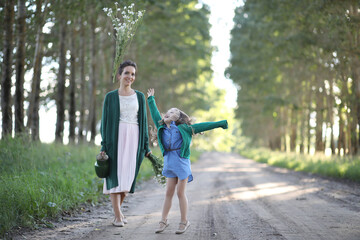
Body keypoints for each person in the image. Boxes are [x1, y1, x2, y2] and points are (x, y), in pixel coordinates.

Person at [147, 88, 228, 234]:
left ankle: (184, 221)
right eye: (168, 111)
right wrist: (151, 99)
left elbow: (203, 126)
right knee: (168, 193)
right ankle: (163, 220)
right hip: (170, 163)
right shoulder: (162, 128)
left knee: (180, 192)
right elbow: (154, 114)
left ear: (178, 117)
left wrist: (220, 123)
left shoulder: (184, 129)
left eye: (173, 112)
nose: (169, 113)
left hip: (182, 163)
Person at [100, 60, 151, 227]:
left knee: (128, 179)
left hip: (134, 139)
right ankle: (117, 216)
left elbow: (143, 122)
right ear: (119, 75)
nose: (130, 76)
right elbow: (105, 123)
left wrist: (146, 145)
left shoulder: (140, 97)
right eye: (127, 73)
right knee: (115, 176)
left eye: (133, 74)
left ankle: (118, 212)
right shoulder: (110, 97)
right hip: (116, 139)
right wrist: (104, 146)